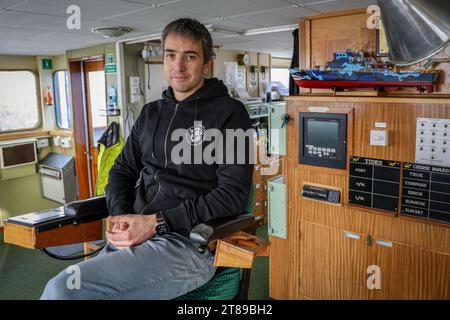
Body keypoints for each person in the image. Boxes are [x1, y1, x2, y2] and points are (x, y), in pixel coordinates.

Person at [40, 18, 253, 300]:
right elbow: (122, 171)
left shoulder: (231, 113)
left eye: (190, 56)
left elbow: (232, 196)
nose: (178, 66)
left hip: (188, 243)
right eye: (170, 55)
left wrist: (157, 222)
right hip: (137, 234)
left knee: (62, 290)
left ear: (206, 64)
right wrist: (120, 216)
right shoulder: (151, 112)